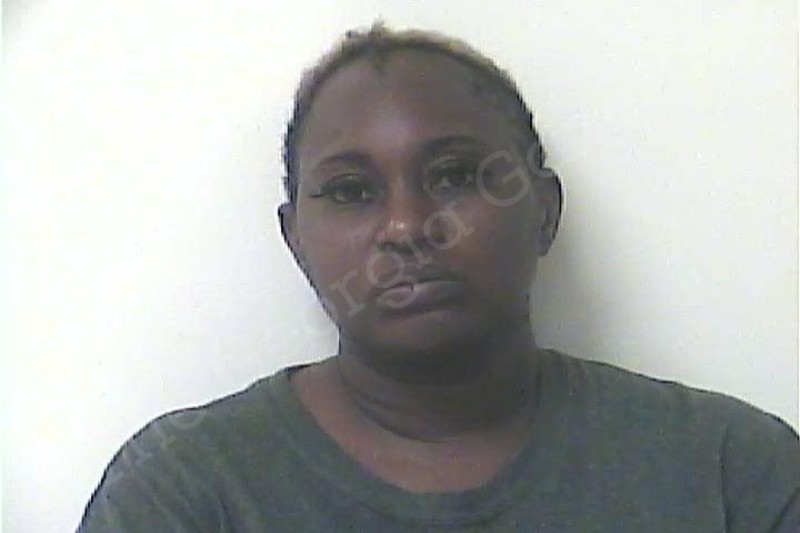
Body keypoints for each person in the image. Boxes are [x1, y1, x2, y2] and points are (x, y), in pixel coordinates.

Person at [78, 24, 800, 532]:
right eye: (352, 190)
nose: (407, 225)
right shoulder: (187, 492)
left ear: (543, 212)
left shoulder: (729, 471)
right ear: (296, 242)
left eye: (455, 176)